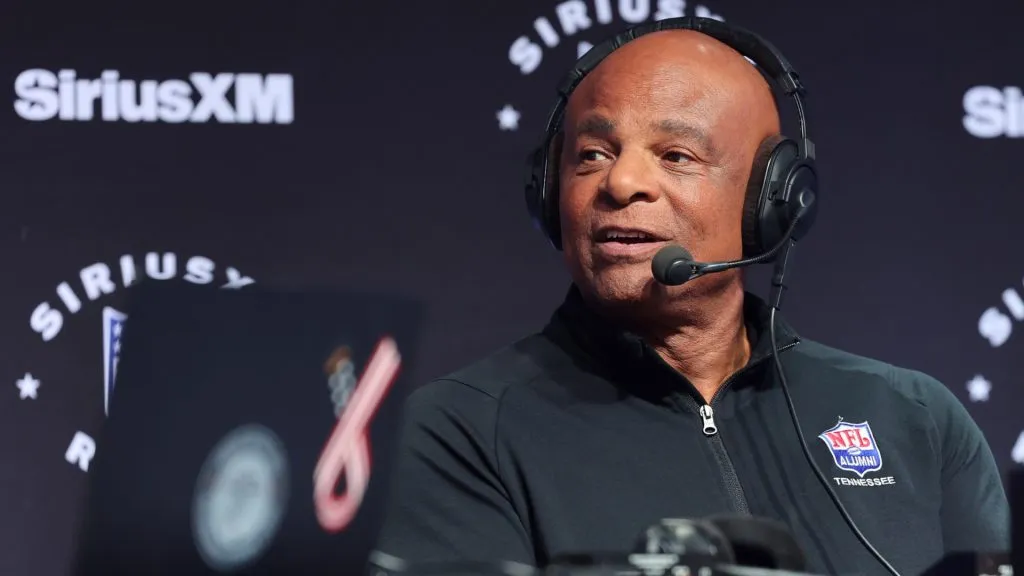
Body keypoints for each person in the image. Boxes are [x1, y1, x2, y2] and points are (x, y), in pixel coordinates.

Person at [373, 21, 1010, 576]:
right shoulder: (456, 431)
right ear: (549, 189)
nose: (621, 182)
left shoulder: (917, 420)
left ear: (773, 200)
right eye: (593, 154)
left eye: (675, 156)